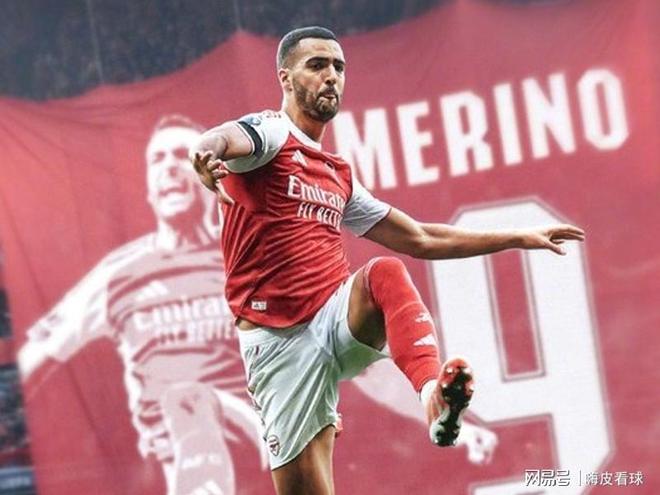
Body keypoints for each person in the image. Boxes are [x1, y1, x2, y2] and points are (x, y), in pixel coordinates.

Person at [190, 26, 584, 494]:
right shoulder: (271, 133)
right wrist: (205, 156)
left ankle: (432, 397)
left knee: (385, 273)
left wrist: (517, 236)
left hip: (334, 319)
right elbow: (220, 139)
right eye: (317, 65)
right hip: (278, 345)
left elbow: (420, 237)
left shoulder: (337, 174)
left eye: (338, 67)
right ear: (286, 78)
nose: (331, 76)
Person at [18, 115, 267, 495]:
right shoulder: (118, 274)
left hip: (250, 437)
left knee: (189, 398)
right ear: (150, 188)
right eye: (157, 159)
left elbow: (331, 330)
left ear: (209, 174)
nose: (169, 167)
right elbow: (35, 357)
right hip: (171, 461)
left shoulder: (246, 254)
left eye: (182, 155)